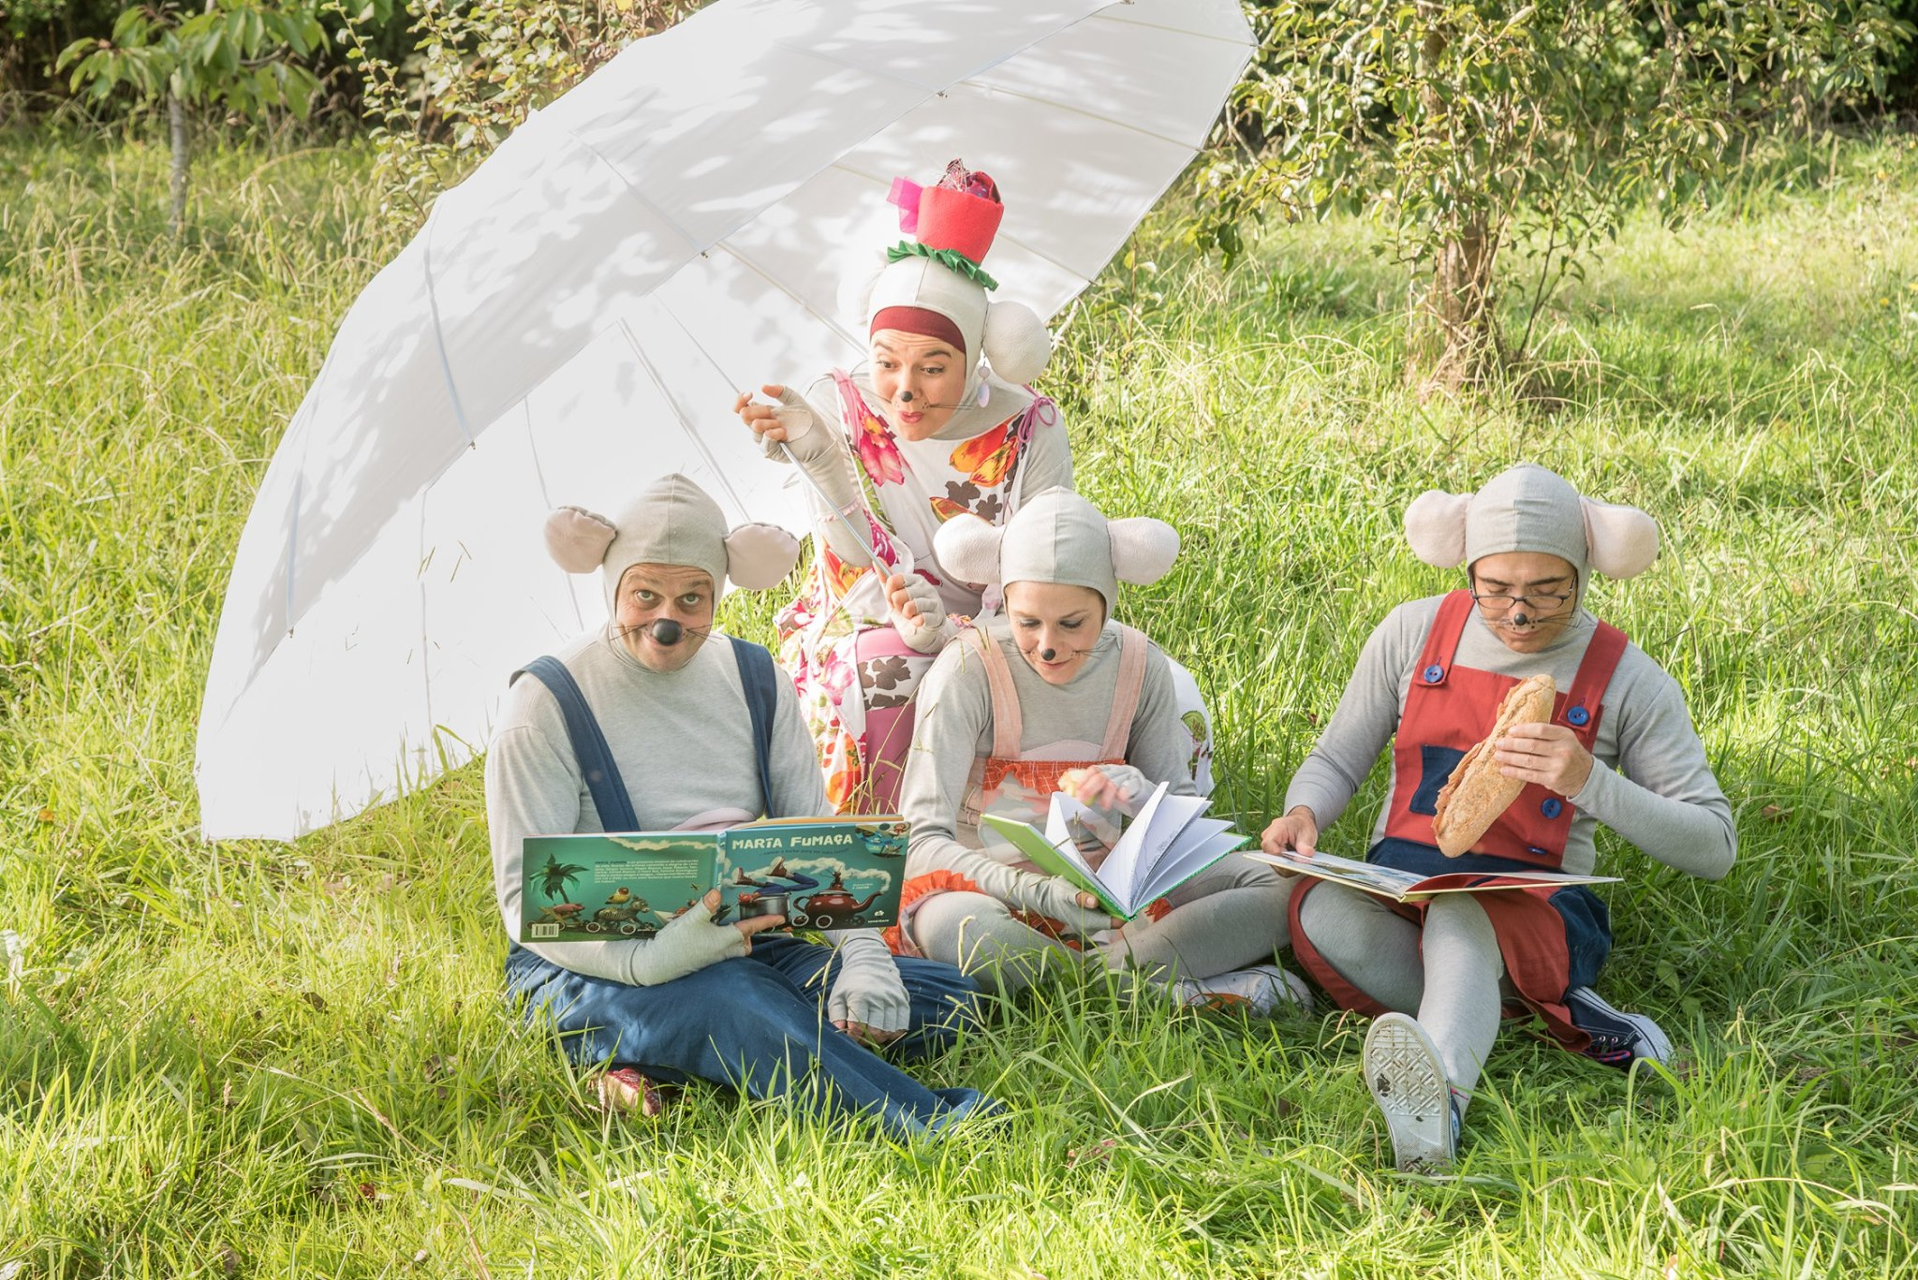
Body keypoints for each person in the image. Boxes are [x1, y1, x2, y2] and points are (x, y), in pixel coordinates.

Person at [485, 473, 992, 1139]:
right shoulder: (546, 702)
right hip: (589, 964)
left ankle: (682, 1057)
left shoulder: (755, 678)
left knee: (946, 1000)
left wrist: (864, 957)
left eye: (691, 598)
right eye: (645, 595)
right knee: (743, 1004)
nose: (667, 621)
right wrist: (648, 962)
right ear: (611, 584)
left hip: (739, 943)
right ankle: (929, 1127)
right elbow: (525, 899)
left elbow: (816, 841)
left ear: (719, 591)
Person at [1261, 463, 1736, 1171]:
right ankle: (1530, 1014)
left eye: (1548, 591)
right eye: (1496, 589)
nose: (1518, 614)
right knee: (1318, 908)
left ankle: (1440, 1102)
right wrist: (1303, 811)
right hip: (1403, 891)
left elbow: (1715, 846)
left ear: (1583, 572)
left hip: (1541, 911)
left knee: (1461, 914)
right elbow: (1336, 757)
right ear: (1469, 569)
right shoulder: (1413, 631)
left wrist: (1589, 781)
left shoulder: (1627, 677)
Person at [737, 161, 1215, 811]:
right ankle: (895, 846)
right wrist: (816, 458)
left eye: (934, 368)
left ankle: (1118, 837)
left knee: (1163, 686)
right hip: (877, 615)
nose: (905, 390)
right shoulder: (837, 404)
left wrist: (970, 632)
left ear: (976, 355)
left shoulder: (1030, 423)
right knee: (883, 673)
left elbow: (1049, 557)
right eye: (887, 362)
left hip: (1017, 621)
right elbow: (850, 564)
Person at [888, 488, 1306, 1012]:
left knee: (1283, 889)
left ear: (1107, 605)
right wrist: (1038, 893)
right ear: (1005, 602)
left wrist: (1143, 796)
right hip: (991, 894)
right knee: (957, 927)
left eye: (1072, 624)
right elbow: (920, 839)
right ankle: (1162, 992)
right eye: (1027, 622)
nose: (1047, 645)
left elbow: (1183, 826)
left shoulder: (1139, 664)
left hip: (1113, 896)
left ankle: (1090, 984)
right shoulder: (970, 667)